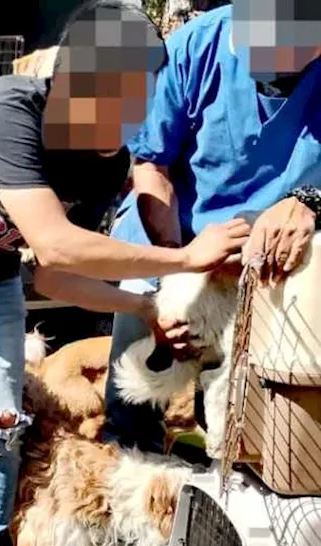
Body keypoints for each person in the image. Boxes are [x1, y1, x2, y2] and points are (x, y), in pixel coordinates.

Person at [0, 0, 249, 546]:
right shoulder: (4, 117)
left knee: (2, 427)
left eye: (144, 96)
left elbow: (56, 275)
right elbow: (56, 240)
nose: (138, 114)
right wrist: (185, 259)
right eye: (127, 97)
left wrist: (146, 310)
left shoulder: (104, 161)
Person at [103, 0, 321, 454]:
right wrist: (176, 266)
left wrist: (310, 202)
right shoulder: (195, 45)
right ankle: (130, 451)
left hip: (283, 250)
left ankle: (243, 463)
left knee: (257, 404)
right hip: (180, 237)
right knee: (134, 397)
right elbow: (151, 164)